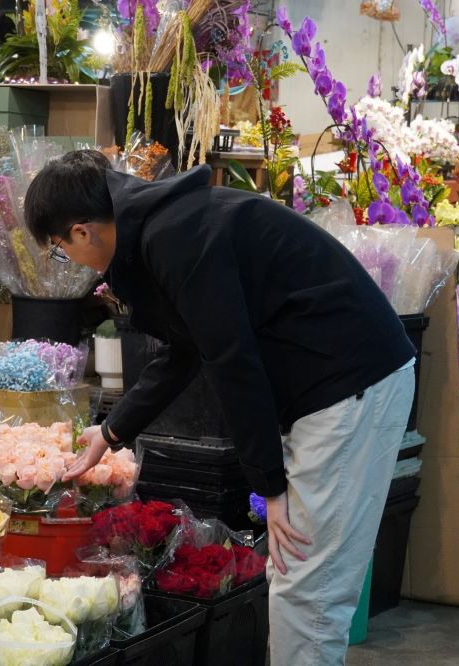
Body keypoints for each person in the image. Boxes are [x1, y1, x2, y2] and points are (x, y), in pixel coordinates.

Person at [24, 150, 415, 665]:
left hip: (347, 386)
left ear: (80, 232)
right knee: (297, 579)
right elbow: (185, 347)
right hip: (335, 387)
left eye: (58, 250)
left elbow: (232, 361)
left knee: (309, 589)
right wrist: (111, 431)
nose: (68, 261)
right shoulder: (161, 229)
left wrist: (270, 486)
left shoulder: (175, 237)